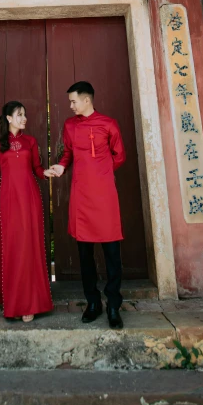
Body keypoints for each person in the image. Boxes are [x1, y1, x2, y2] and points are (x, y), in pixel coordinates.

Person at [48, 81, 126, 329]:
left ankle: (113, 304)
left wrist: (101, 174)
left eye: (73, 101)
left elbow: (120, 156)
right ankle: (93, 302)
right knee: (85, 254)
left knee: (112, 253)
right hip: (81, 197)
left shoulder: (109, 124)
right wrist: (61, 165)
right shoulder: (70, 125)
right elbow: (68, 153)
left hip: (105, 196)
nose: (70, 106)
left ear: (87, 100)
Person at [0, 101, 54, 322]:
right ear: (8, 118)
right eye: (19, 114)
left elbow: (36, 169)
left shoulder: (31, 142)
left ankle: (30, 304)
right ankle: (14, 303)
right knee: (13, 249)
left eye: (24, 114)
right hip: (8, 201)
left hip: (29, 199)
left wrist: (46, 173)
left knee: (29, 248)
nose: (23, 118)